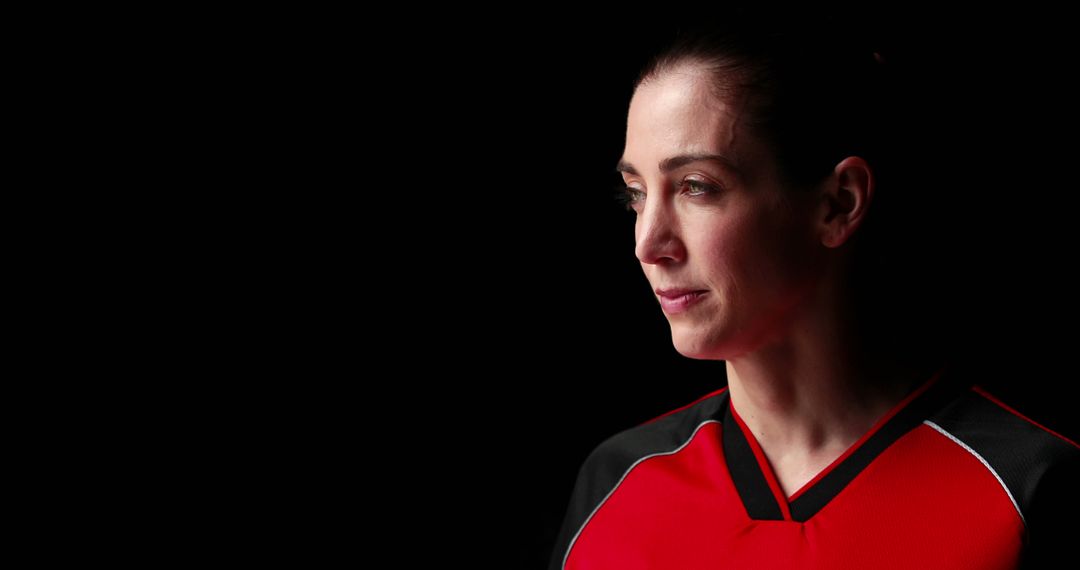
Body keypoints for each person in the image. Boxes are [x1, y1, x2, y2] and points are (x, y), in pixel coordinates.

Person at [548, 10, 1078, 570]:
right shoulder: (615, 483)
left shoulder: (1026, 488)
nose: (648, 243)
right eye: (635, 194)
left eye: (696, 187)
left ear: (837, 204)